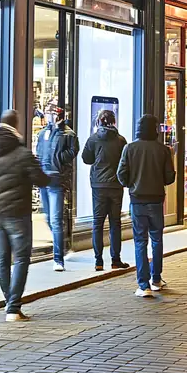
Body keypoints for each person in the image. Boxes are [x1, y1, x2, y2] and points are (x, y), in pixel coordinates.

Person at [0, 109, 49, 321]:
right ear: (16, 126)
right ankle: (13, 307)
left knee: (3, 258)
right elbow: (41, 180)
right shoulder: (23, 154)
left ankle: (8, 300)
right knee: (20, 259)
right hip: (19, 213)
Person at [117, 114, 175, 298]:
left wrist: (131, 184)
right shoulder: (163, 150)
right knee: (156, 239)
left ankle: (143, 285)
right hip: (157, 199)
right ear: (155, 129)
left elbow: (121, 173)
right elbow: (170, 177)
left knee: (140, 241)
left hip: (137, 199)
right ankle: (156, 279)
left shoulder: (130, 148)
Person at [82, 109, 130, 272]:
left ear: (99, 122)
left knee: (97, 223)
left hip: (98, 186)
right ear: (113, 122)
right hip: (116, 186)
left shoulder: (93, 139)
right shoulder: (121, 140)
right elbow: (126, 162)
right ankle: (116, 260)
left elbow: (86, 159)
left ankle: (98, 261)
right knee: (115, 223)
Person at [36, 107, 79, 271]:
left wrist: (60, 159)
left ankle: (58, 258)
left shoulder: (68, 134)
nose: (47, 116)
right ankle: (63, 245)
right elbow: (39, 152)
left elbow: (74, 151)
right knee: (49, 218)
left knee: (55, 219)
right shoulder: (43, 133)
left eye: (50, 114)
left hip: (57, 179)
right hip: (44, 179)